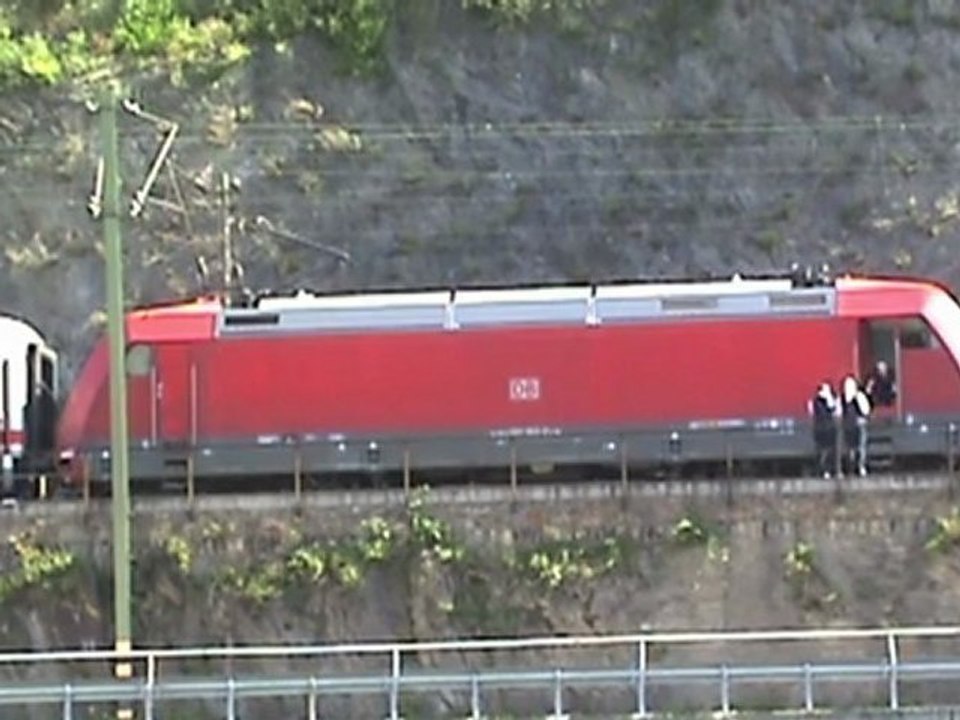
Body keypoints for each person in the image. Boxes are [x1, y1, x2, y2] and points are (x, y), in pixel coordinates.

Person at [840, 375, 871, 476]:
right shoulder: (841, 398)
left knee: (860, 447)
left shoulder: (860, 396)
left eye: (850, 385)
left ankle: (861, 466)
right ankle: (850, 467)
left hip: (859, 425)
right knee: (848, 448)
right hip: (846, 425)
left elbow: (866, 410)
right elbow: (839, 412)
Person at [808, 382, 838, 478]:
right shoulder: (817, 401)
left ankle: (830, 469)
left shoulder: (831, 400)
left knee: (831, 450)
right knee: (823, 450)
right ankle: (823, 469)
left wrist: (829, 399)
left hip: (830, 428)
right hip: (821, 429)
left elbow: (834, 410)